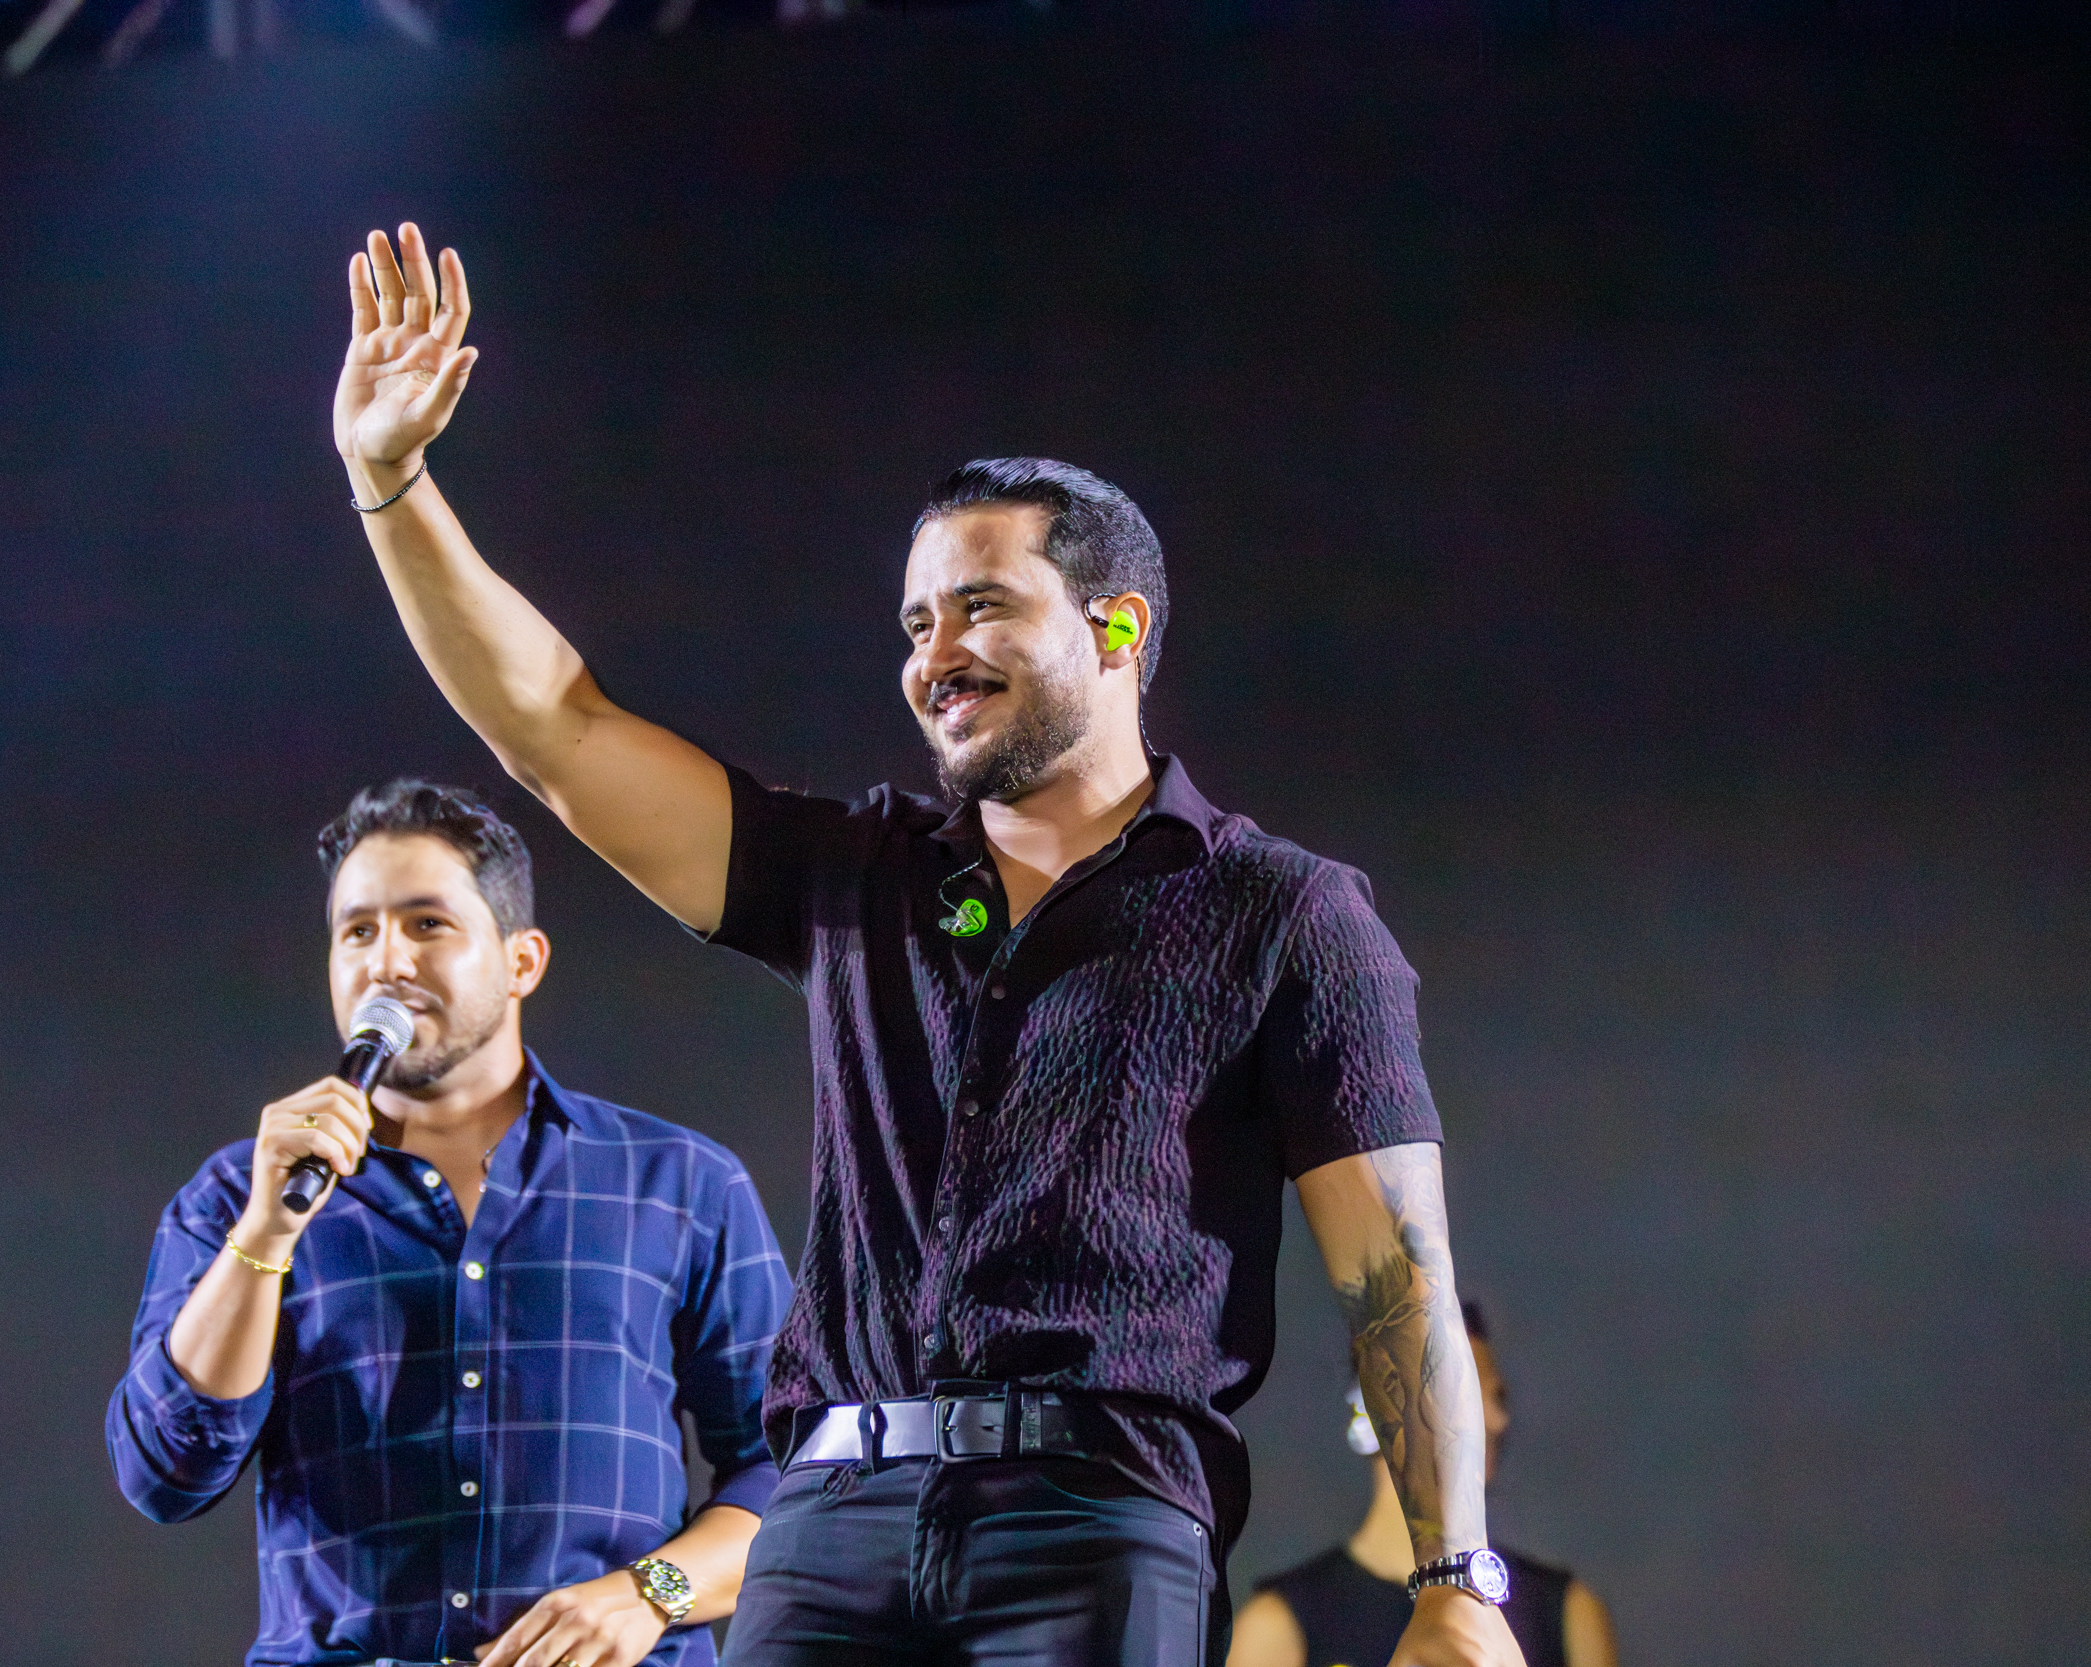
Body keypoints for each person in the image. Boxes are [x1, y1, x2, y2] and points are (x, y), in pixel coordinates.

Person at [327, 221, 1526, 1667]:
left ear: (1118, 625)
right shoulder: (858, 877)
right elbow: (556, 730)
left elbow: (1392, 1269)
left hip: (1097, 1515)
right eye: (912, 620)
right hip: (828, 1523)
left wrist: (1456, 1575)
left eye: (981, 606)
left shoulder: (1286, 912)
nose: (931, 650)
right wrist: (391, 484)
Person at [106, 780, 792, 1667]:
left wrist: (648, 1594)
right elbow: (165, 1473)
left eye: (427, 923)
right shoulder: (238, 1196)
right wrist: (266, 1235)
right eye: (357, 930)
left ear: (522, 962)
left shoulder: (678, 1183)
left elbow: (797, 1471)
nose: (385, 961)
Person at [1230, 1305, 1620, 1667]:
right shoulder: (1279, 1627)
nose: (1498, 1420)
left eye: (1499, 1398)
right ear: (1385, 1403)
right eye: (1466, 1393)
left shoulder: (1564, 1613)